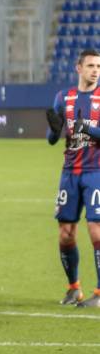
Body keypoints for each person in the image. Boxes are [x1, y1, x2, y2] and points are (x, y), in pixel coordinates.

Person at [46, 48, 100, 308]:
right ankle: (73, 288)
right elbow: (51, 138)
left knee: (96, 232)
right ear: (79, 68)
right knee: (66, 233)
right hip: (69, 173)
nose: (95, 70)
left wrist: (86, 127)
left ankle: (99, 294)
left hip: (96, 173)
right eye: (91, 65)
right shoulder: (63, 97)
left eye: (98, 66)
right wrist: (55, 130)